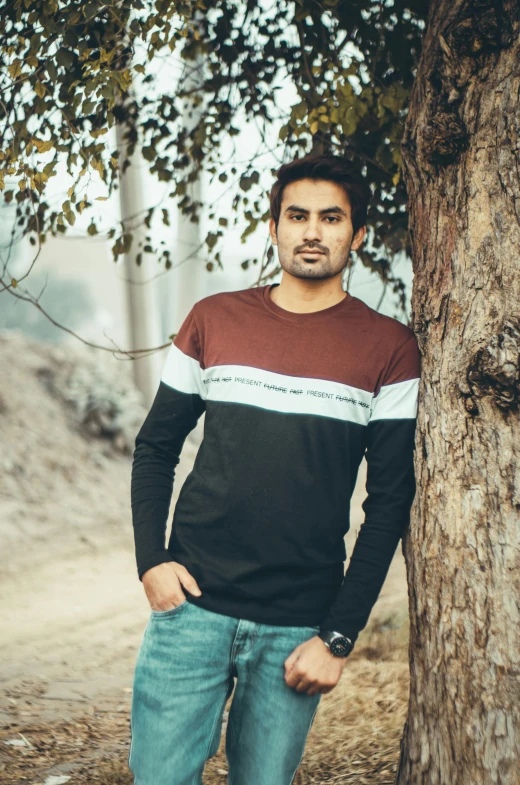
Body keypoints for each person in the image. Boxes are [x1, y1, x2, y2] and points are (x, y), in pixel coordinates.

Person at [128, 153, 421, 785]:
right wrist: (151, 561)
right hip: (189, 612)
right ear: (275, 227)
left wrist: (338, 636)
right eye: (298, 215)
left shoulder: (390, 350)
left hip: (297, 627)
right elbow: (155, 446)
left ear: (358, 235)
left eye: (331, 217)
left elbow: (391, 500)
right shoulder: (214, 319)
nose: (312, 230)